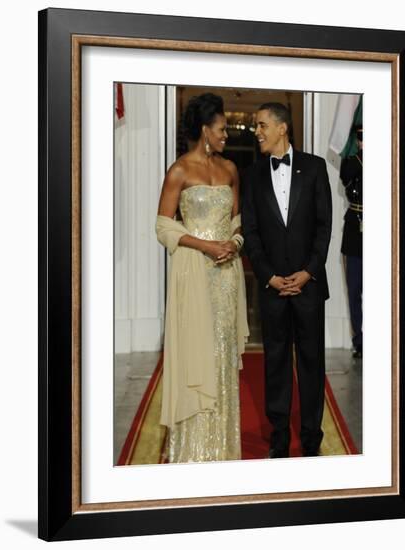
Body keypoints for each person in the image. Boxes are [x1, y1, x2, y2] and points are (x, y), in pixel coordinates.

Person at [155, 93, 249, 463]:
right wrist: (205, 246)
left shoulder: (230, 170)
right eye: (223, 129)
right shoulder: (179, 170)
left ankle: (222, 448)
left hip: (226, 277)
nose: (228, 135)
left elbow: (239, 221)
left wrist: (234, 243)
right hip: (194, 273)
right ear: (205, 129)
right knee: (197, 352)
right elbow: (163, 226)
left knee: (222, 352)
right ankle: (193, 451)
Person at [241, 103, 332, 458]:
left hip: (309, 286)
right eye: (256, 126)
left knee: (311, 362)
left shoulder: (314, 167)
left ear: (282, 128)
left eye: (262, 125)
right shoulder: (252, 176)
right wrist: (270, 277)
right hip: (273, 288)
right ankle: (279, 435)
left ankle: (311, 436)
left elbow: (324, 226)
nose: (258, 132)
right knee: (275, 362)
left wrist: (308, 272)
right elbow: (251, 232)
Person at [340, 124, 363, 358]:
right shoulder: (352, 162)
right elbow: (346, 175)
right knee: (354, 288)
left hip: (381, 229)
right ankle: (360, 340)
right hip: (355, 229)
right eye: (361, 137)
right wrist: (363, 154)